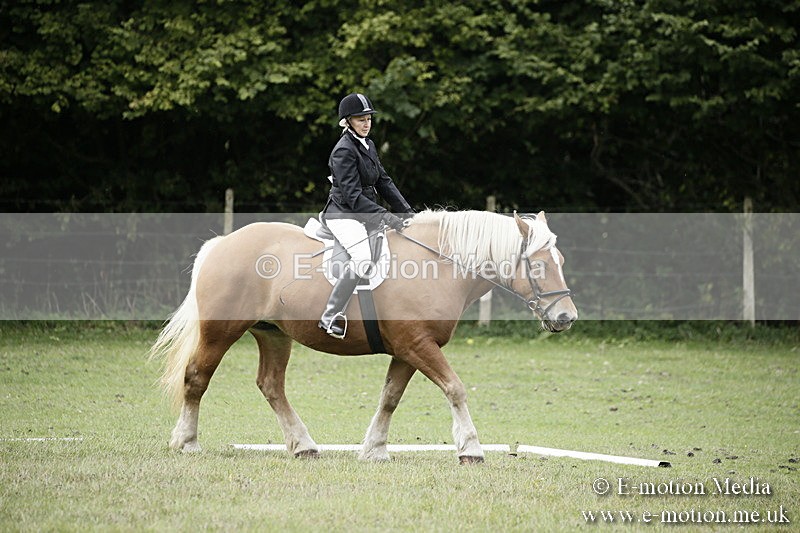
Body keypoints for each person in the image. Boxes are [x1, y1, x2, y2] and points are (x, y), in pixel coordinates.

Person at [318, 92, 414, 338]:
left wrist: (407, 212)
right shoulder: (343, 150)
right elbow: (352, 197)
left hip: (363, 212)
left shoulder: (368, 145)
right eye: (360, 119)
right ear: (347, 121)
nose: (366, 123)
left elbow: (384, 181)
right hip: (343, 214)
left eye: (369, 118)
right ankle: (330, 316)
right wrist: (385, 216)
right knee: (362, 258)